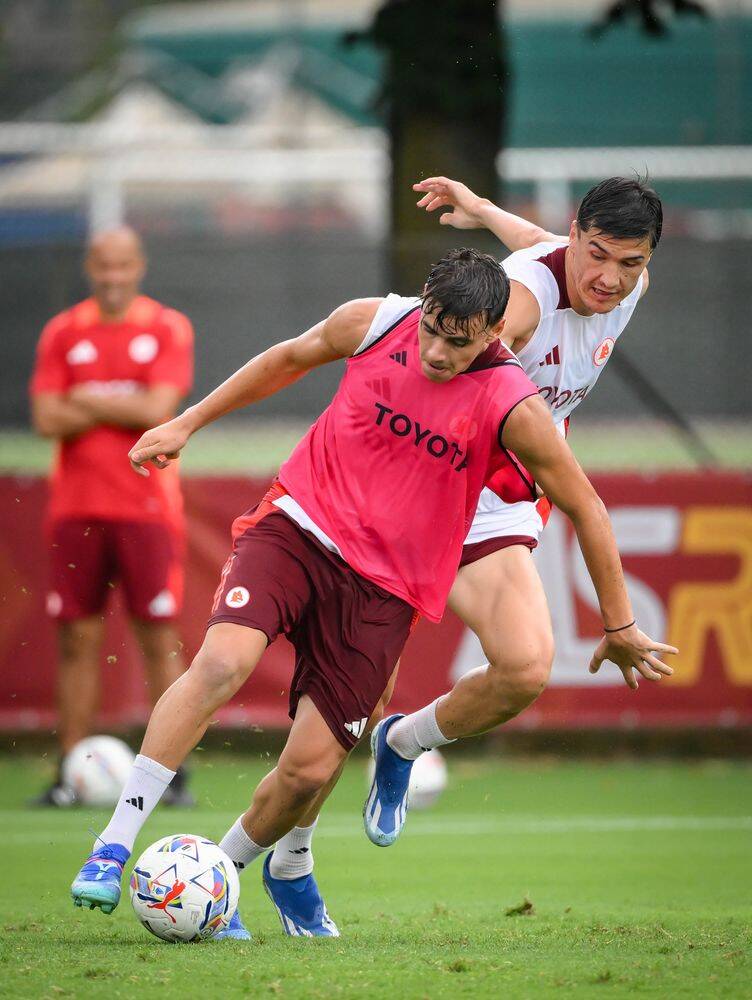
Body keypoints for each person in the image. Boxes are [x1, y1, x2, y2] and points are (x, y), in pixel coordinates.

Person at [68, 248, 672, 941]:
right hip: (297, 526)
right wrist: (186, 423)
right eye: (435, 329)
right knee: (222, 663)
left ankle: (235, 875)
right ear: (423, 303)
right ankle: (113, 844)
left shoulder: (513, 404)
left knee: (307, 773)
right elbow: (287, 358)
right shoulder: (376, 322)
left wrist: (619, 624)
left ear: (494, 334)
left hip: (384, 586)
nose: (440, 352)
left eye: (461, 339)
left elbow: (588, 507)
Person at [363, 174, 669, 848]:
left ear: (646, 258)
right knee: (356, 696)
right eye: (598, 254)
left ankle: (403, 745)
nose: (611, 278)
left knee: (524, 669)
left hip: (498, 497)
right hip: (418, 481)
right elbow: (436, 348)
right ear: (579, 236)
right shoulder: (518, 309)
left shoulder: (621, 280)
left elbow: (538, 241)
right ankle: (288, 856)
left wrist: (478, 209)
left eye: (630, 262)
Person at [29, 227, 195, 807]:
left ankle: (171, 772)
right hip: (75, 508)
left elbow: (157, 408)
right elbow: (46, 418)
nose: (113, 275)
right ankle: (69, 773)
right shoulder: (63, 332)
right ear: (90, 267)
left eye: (123, 264)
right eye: (103, 265)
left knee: (158, 636)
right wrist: (117, 404)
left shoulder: (166, 327)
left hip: (146, 507)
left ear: (139, 266)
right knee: (76, 638)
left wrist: (86, 399)